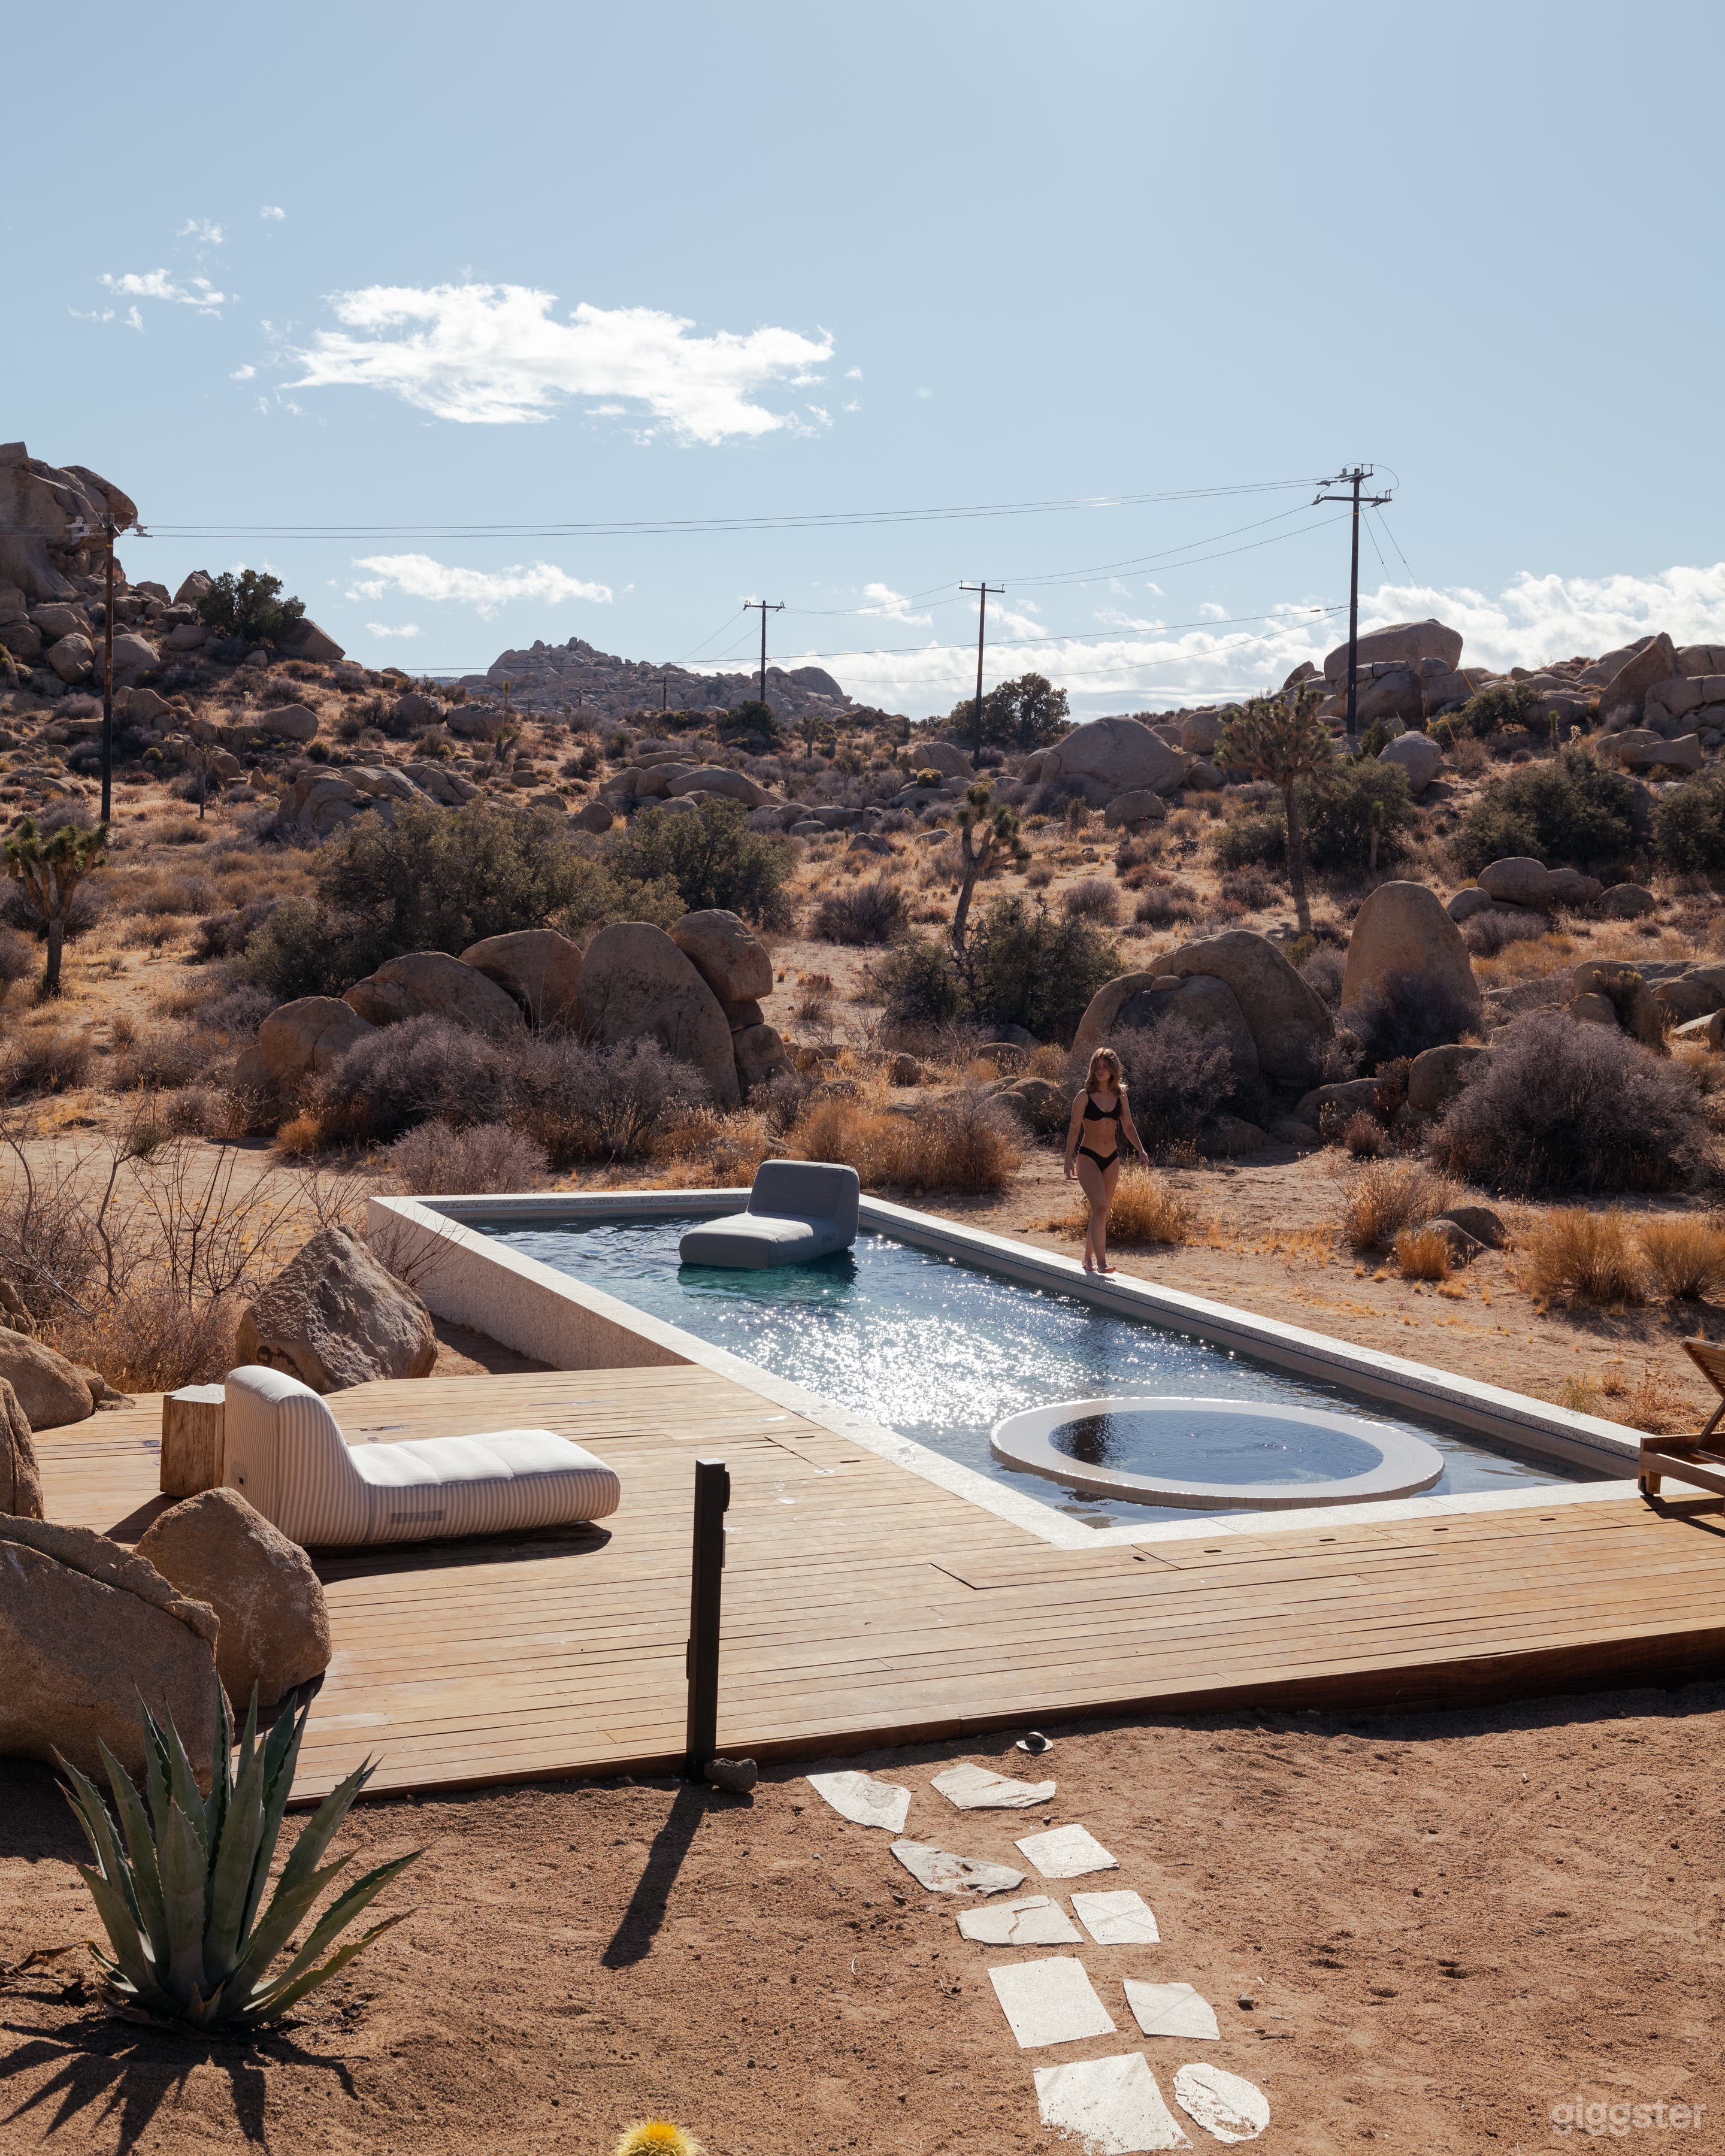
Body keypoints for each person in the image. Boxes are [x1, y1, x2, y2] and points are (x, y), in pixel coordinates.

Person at [1063, 1046, 1149, 1273]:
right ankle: (1102, 1263)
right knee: (1100, 1208)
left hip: (1111, 1159)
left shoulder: (1120, 1097)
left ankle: (1087, 1258)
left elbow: (1128, 1126)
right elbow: (1074, 1130)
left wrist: (1140, 1149)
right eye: (1097, 1067)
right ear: (1092, 1069)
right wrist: (1068, 1159)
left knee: (1101, 1210)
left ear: (1113, 1070)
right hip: (1088, 1157)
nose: (1100, 1071)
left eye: (1105, 1067)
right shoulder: (1084, 1097)